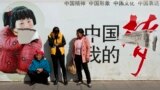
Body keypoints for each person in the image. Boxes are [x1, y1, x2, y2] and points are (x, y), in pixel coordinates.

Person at [0, 6, 42, 74]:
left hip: (23, 66)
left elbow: (35, 48)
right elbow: (7, 45)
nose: (27, 25)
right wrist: (23, 37)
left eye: (29, 21)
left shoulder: (33, 34)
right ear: (13, 25)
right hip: (5, 64)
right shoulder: (4, 32)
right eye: (21, 23)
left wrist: (24, 67)